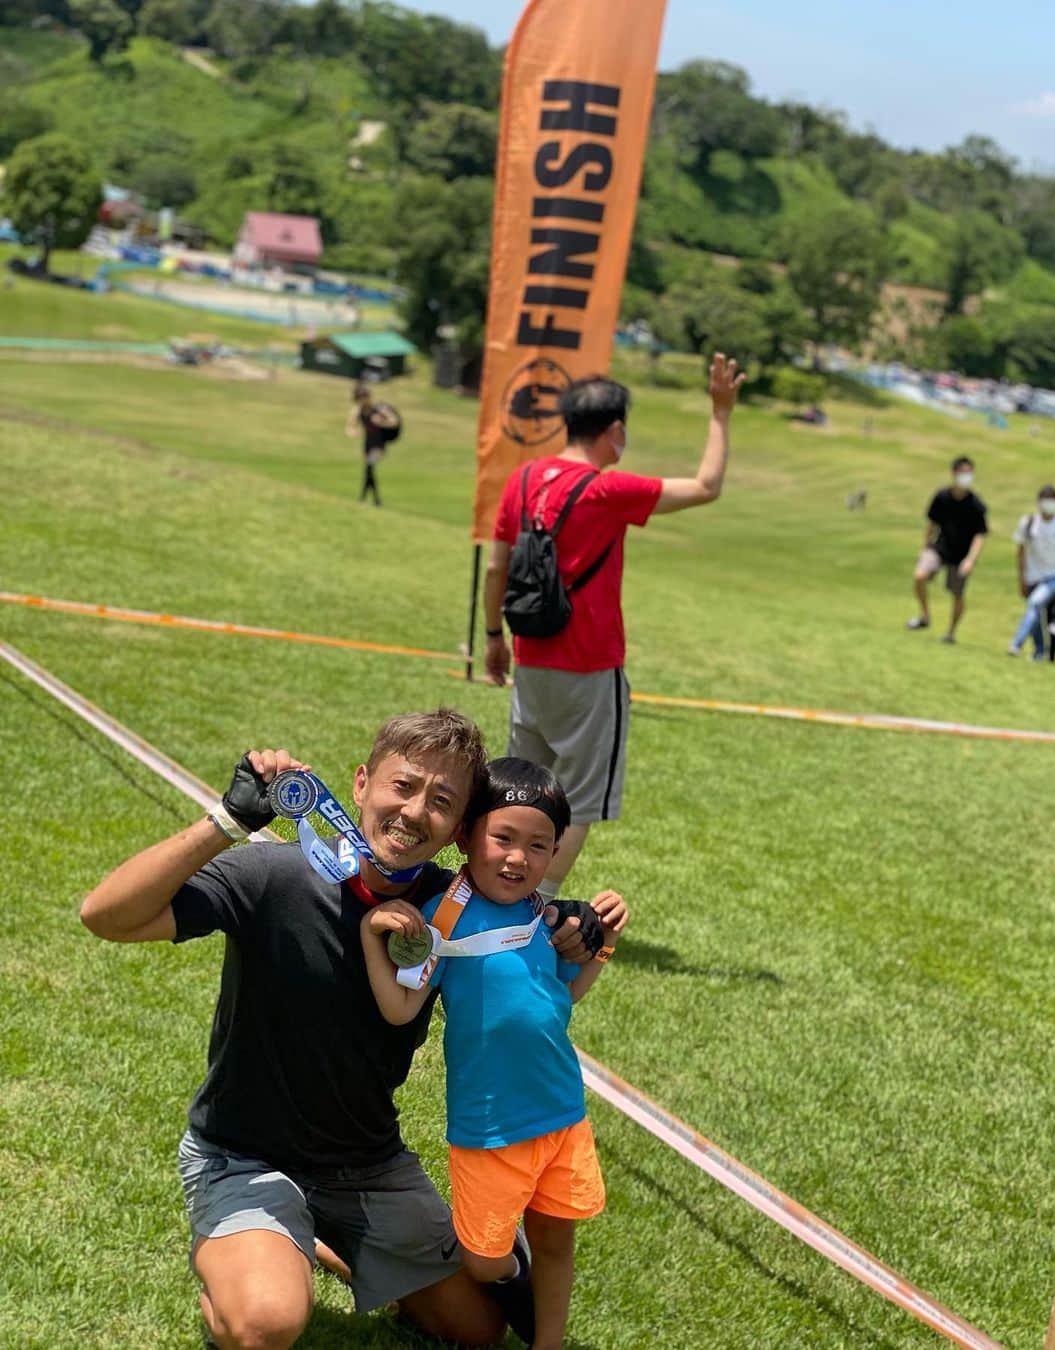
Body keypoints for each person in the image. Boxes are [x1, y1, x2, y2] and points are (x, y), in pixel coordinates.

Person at [79, 710, 609, 1350]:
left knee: (478, 1329)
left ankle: (319, 1241)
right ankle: (252, 1262)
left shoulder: (451, 908)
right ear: (360, 784)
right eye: (403, 786)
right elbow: (105, 915)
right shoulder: (271, 873)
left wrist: (572, 927)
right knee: (265, 1322)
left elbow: (530, 926)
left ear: (459, 827)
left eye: (441, 801)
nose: (414, 812)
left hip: (367, 1163)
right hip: (245, 1156)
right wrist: (228, 820)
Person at [360, 757, 627, 1350]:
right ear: (465, 835)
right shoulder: (444, 914)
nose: (518, 858)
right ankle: (512, 1279)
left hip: (562, 1113)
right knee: (485, 1259)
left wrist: (603, 947)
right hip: (489, 1126)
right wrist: (370, 939)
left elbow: (562, 999)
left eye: (539, 846)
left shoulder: (544, 916)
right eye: (503, 837)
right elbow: (401, 1010)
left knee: (558, 1242)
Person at [483, 352, 745, 898]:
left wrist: (492, 639)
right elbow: (706, 486)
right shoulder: (607, 491)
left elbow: (496, 566)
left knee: (520, 786)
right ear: (615, 429)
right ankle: (533, 905)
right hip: (589, 666)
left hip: (529, 657)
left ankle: (487, 890)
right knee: (575, 796)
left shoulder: (523, 478)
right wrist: (720, 412)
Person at [906, 455, 988, 644]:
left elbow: (980, 535)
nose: (966, 476)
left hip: (962, 554)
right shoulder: (942, 497)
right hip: (940, 547)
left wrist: (971, 560)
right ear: (953, 474)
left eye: (969, 473)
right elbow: (932, 523)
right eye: (963, 472)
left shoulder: (976, 505)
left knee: (957, 594)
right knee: (920, 576)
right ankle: (925, 616)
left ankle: (951, 632)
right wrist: (925, 546)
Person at [1008, 484, 1055, 660]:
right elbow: (1021, 552)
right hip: (1033, 575)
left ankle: (1016, 643)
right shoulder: (1029, 524)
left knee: (1035, 603)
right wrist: (1022, 578)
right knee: (1038, 613)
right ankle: (1039, 651)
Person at [346, 384, 398, 507]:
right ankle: (375, 501)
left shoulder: (378, 409)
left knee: (369, 467)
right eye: (360, 398)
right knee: (369, 471)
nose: (363, 400)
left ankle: (365, 498)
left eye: (365, 397)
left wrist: (382, 422)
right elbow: (349, 427)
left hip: (379, 445)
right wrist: (352, 432)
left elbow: (394, 422)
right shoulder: (358, 411)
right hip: (367, 445)